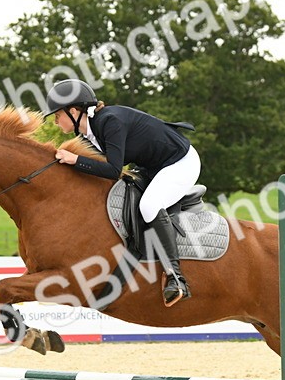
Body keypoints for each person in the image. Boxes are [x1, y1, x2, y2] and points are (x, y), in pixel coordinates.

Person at [44, 79, 198, 306]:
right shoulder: (89, 133)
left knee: (149, 206)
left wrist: (75, 159)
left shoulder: (109, 122)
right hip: (154, 166)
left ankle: (176, 277)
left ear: (74, 111)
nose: (56, 121)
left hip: (181, 163)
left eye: (58, 115)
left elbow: (114, 170)